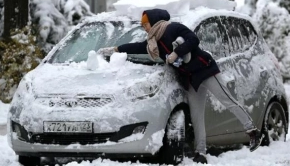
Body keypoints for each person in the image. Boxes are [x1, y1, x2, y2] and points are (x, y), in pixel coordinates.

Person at [97, 9, 264, 164]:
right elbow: (138, 47)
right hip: (191, 78)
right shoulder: (152, 42)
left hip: (205, 70)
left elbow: (193, 39)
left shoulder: (173, 28)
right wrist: (116, 49)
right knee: (197, 115)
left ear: (153, 21)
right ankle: (201, 153)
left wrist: (176, 53)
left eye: (145, 24)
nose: (144, 27)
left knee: (227, 100)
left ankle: (253, 131)